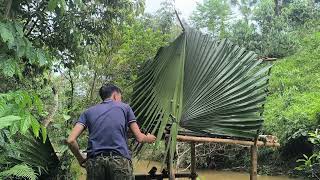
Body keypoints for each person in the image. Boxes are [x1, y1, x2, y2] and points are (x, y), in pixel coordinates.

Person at [67, 83, 156, 180]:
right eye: (120, 97)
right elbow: (140, 137)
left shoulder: (87, 112)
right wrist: (149, 138)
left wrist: (80, 159)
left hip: (95, 162)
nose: (120, 100)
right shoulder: (125, 107)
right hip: (119, 161)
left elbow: (71, 140)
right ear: (115, 95)